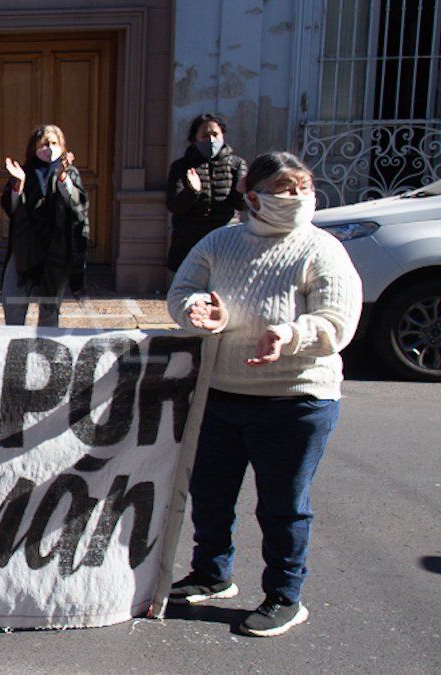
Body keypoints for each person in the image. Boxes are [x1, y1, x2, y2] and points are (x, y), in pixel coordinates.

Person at [166, 151, 362, 637]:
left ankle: (285, 597)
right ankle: (212, 574)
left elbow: (338, 321)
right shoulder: (218, 242)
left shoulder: (323, 249)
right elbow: (182, 289)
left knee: (283, 504)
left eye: (302, 188)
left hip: (297, 400)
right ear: (252, 196)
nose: (296, 198)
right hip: (220, 393)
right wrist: (196, 309)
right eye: (283, 189)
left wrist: (292, 335)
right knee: (210, 494)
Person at [0, 124, 89, 327]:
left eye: (54, 143)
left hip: (55, 249)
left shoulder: (69, 172)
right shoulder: (23, 172)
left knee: (49, 310)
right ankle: (15, 349)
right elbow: (11, 208)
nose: (49, 148)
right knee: (12, 300)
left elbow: (77, 206)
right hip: (24, 246)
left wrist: (63, 178)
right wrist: (18, 184)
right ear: (34, 148)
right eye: (44, 144)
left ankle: (45, 351)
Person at [166, 113, 248, 272]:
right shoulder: (181, 166)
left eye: (215, 134)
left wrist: (242, 191)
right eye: (205, 135)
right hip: (190, 241)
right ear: (194, 139)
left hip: (225, 240)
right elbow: (174, 205)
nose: (211, 140)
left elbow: (242, 204)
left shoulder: (236, 164)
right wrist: (192, 191)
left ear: (222, 135)